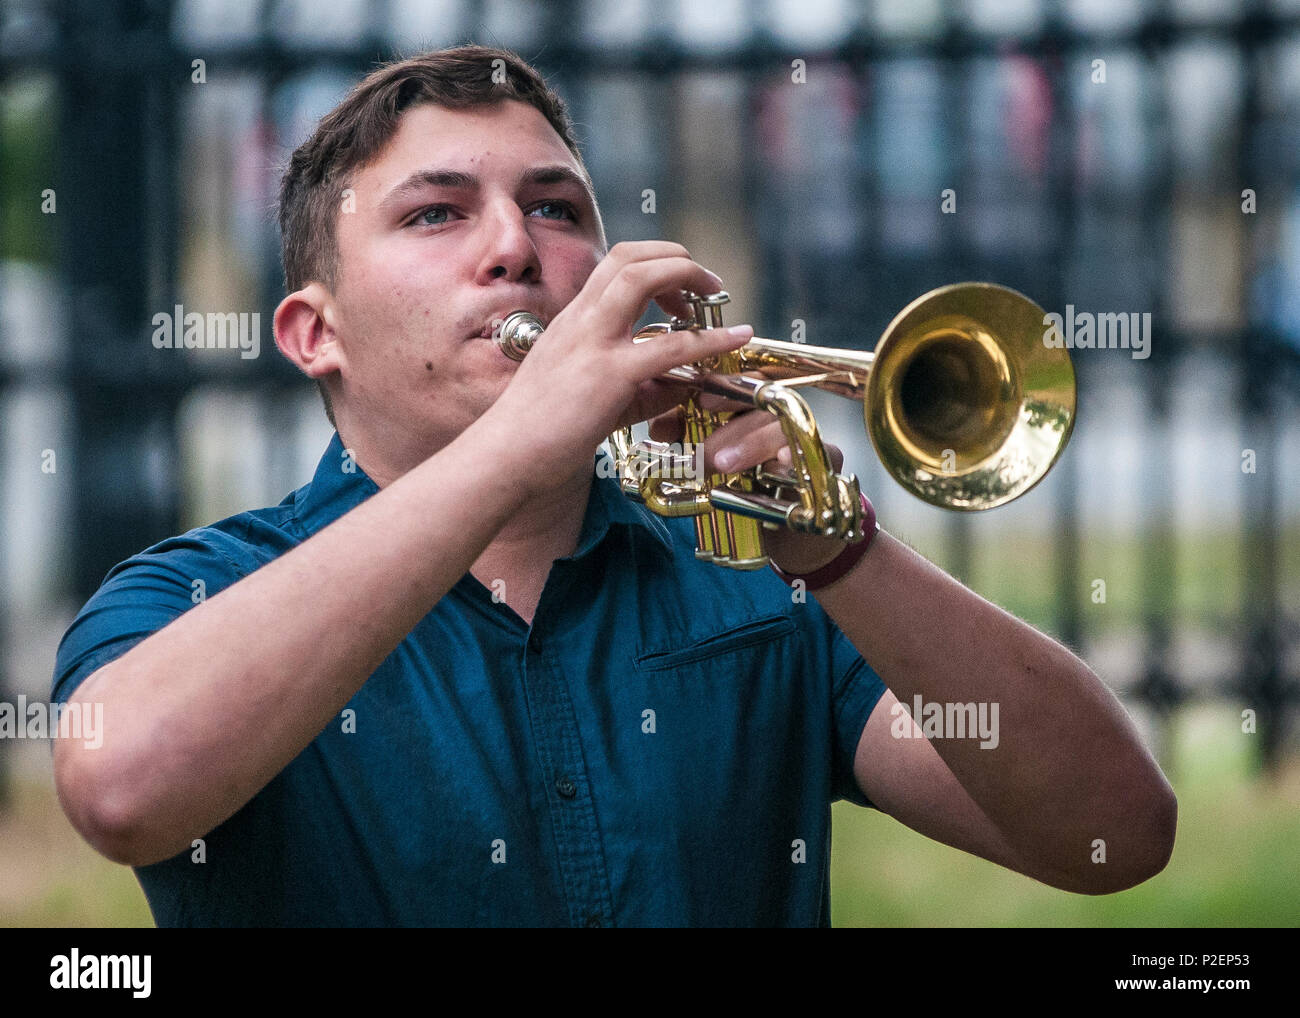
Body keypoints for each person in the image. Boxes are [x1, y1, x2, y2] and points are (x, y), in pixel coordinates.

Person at [51, 45, 1175, 927]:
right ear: (313, 333)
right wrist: (517, 447)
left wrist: (837, 551)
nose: (513, 247)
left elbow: (1111, 839)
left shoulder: (762, 591)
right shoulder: (200, 594)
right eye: (436, 212)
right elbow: (121, 788)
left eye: (556, 207)